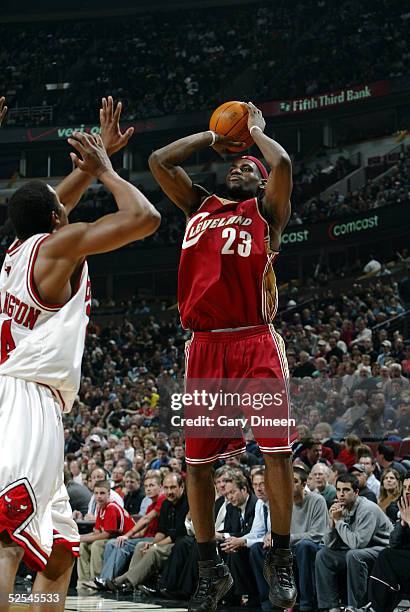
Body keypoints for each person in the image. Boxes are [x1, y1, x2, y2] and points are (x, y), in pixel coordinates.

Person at [0, 96, 160, 611]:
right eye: (61, 210)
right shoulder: (56, 247)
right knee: (6, 536)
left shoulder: (18, 251)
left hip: (33, 400)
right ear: (55, 219)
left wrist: (88, 170)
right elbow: (144, 216)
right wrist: (108, 169)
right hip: (22, 402)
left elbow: (48, 204)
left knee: (60, 554)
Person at [149, 101, 296, 611]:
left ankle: (281, 559)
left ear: (258, 183)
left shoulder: (267, 213)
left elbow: (282, 166)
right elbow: (159, 162)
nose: (239, 168)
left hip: (254, 339)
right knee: (197, 465)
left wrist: (254, 133)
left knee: (276, 450)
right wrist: (215, 136)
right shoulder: (200, 208)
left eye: (246, 168)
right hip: (205, 347)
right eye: (234, 165)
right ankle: (211, 569)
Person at [315, 474, 393, 610]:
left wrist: (339, 521)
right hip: (359, 550)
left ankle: (355, 607)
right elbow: (329, 544)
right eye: (338, 490)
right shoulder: (340, 508)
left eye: (346, 490)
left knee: (354, 555)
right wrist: (332, 524)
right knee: (323, 555)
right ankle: (330, 607)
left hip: (383, 551)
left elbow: (358, 544)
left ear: (356, 492)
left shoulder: (367, 509)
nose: (341, 494)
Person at [106, 473, 188, 593]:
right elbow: (161, 531)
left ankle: (124, 581)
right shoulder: (166, 504)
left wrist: (155, 545)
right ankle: (131, 585)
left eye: (173, 487)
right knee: (141, 546)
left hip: (181, 544)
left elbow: (178, 534)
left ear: (182, 487)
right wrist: (152, 543)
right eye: (166, 488)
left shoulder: (187, 503)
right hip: (167, 542)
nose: (169, 491)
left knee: (154, 551)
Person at [77, 480, 135, 589]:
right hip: (114, 537)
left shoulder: (111, 508)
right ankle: (83, 581)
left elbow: (106, 535)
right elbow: (97, 532)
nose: (99, 496)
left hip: (127, 538)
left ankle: (97, 580)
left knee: (97, 545)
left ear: (109, 493)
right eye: (96, 493)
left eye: (102, 493)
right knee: (82, 545)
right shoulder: (100, 507)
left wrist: (81, 538)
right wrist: (80, 538)